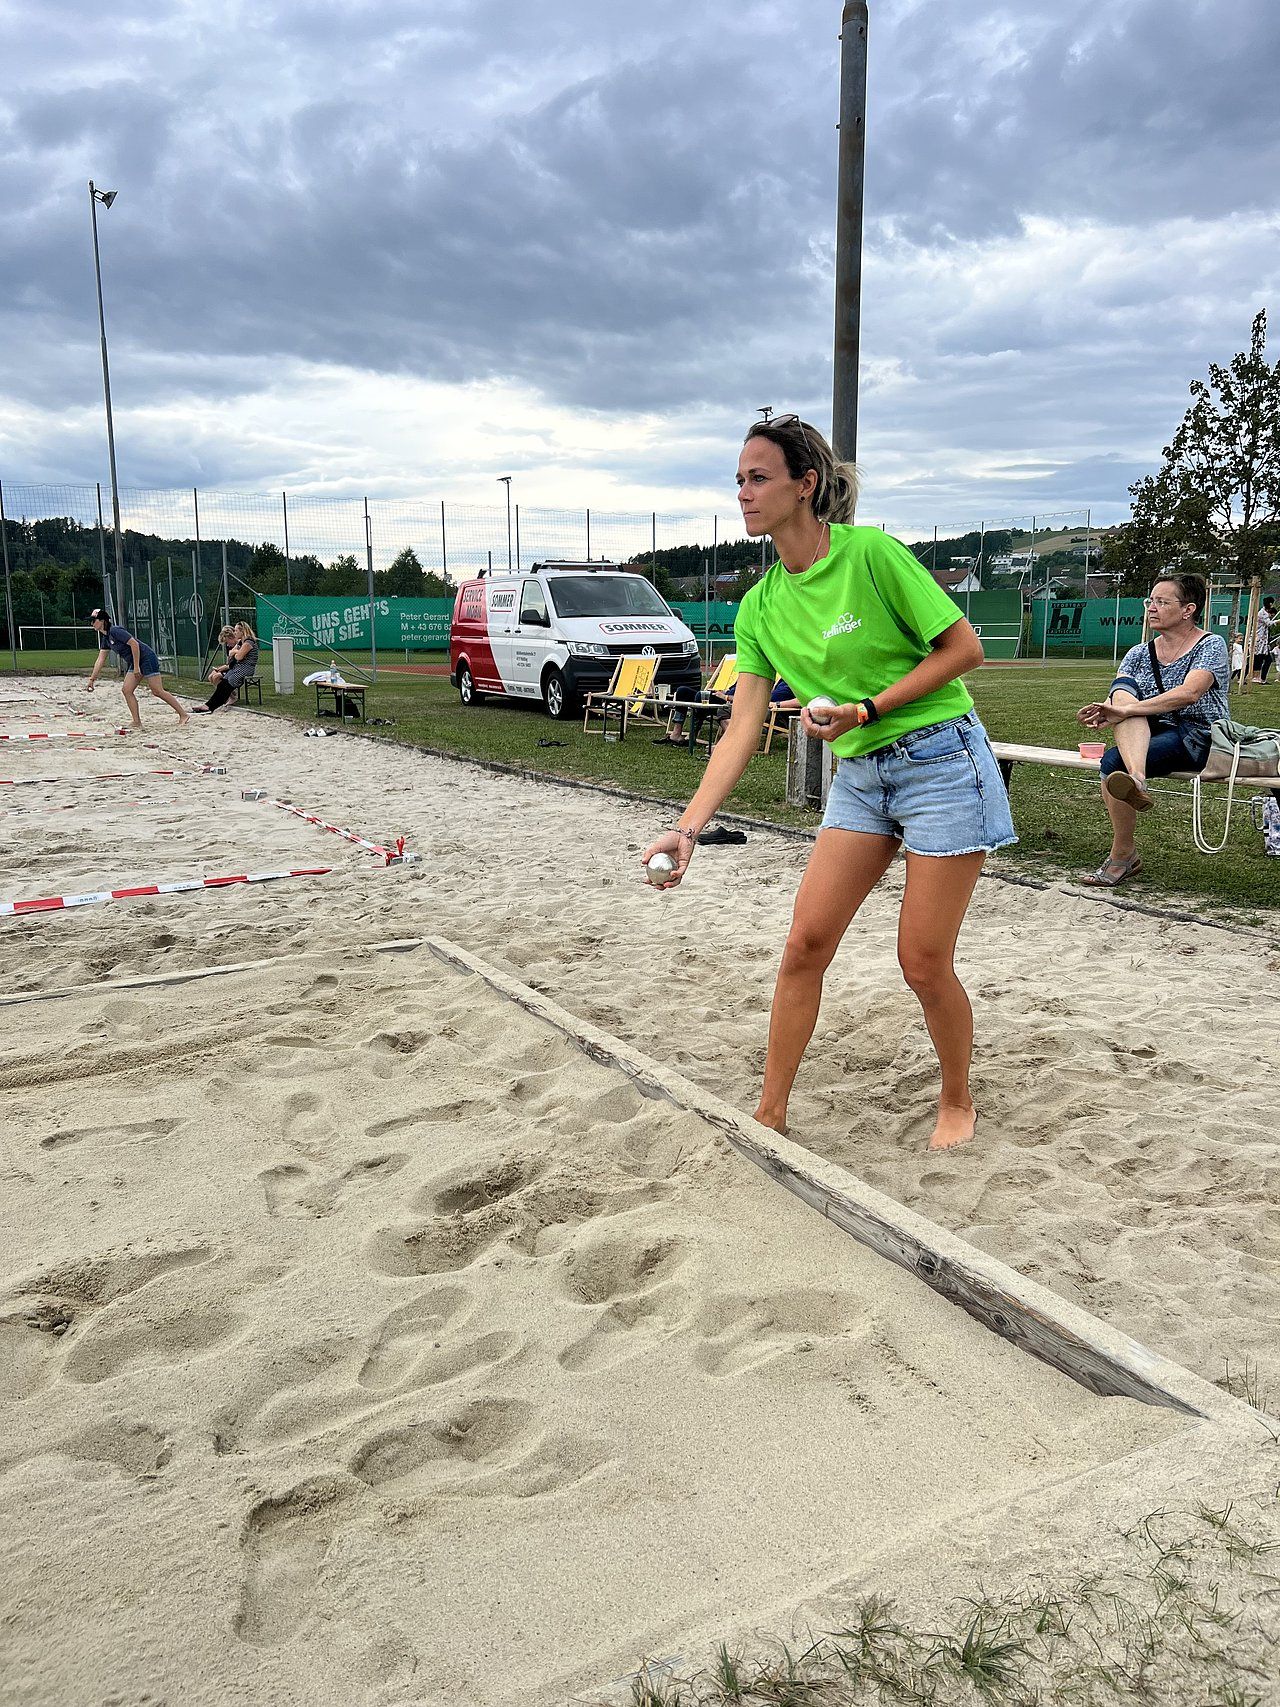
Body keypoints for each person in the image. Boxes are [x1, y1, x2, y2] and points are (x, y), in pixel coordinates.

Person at [640, 414, 1012, 1152]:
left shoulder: (870, 555)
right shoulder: (760, 605)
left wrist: (867, 707)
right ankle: (771, 1111)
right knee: (806, 942)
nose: (743, 494)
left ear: (805, 485)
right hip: (864, 774)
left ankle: (957, 1097)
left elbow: (964, 649)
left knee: (921, 959)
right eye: (739, 481)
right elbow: (742, 726)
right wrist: (686, 829)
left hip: (942, 759)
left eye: (759, 478)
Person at [1076, 574, 1228, 886]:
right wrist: (1102, 709)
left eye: (1162, 602)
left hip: (1198, 735)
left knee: (1114, 758)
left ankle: (1122, 855)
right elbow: (1119, 699)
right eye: (1151, 601)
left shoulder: (1210, 645)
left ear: (1187, 610)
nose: (1152, 608)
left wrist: (1125, 710)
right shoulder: (1138, 653)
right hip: (1152, 729)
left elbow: (1190, 693)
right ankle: (1138, 781)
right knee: (1123, 691)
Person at [85, 609, 189, 729]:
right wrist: (92, 679)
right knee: (127, 690)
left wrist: (136, 666)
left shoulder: (115, 631)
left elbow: (134, 644)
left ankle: (183, 714)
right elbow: (100, 659)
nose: (91, 624)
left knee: (157, 690)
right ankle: (136, 721)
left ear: (102, 620)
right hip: (135, 661)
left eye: (93, 620)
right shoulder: (106, 638)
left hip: (146, 657)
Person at [192, 622, 259, 713]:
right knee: (223, 683)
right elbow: (232, 656)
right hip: (238, 667)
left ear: (242, 631)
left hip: (246, 668)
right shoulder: (241, 642)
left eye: (236, 630)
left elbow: (238, 657)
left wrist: (235, 652)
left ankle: (210, 706)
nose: (234, 633)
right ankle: (208, 705)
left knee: (228, 683)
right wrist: (236, 652)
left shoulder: (248, 642)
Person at [1254, 596, 1276, 684]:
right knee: (1257, 659)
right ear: (1270, 603)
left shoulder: (1265, 612)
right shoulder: (1262, 613)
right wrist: (1277, 621)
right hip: (1260, 640)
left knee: (1261, 659)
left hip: (1264, 640)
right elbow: (1269, 623)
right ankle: (1259, 678)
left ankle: (1262, 679)